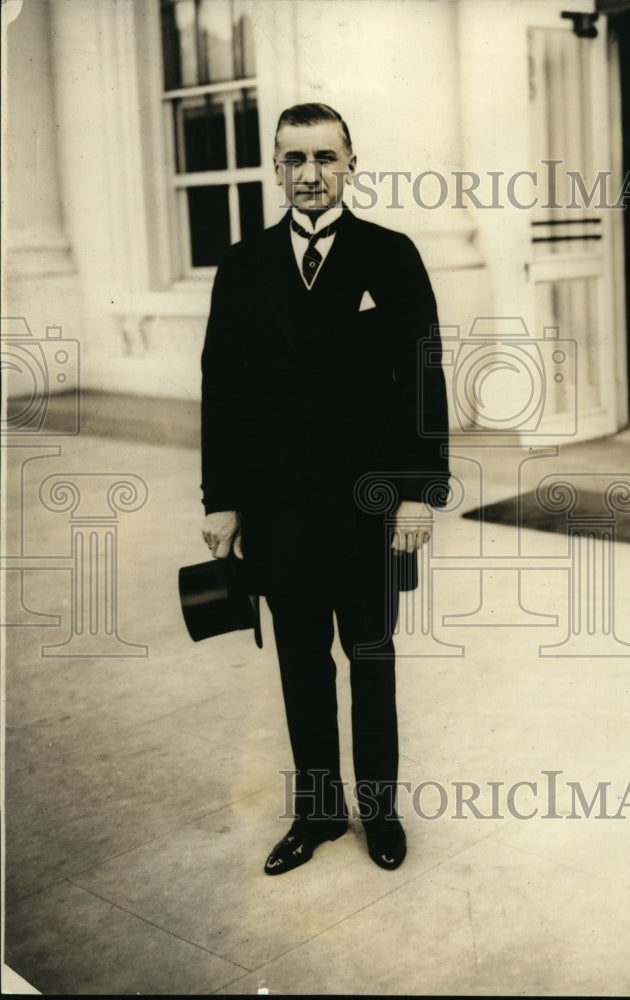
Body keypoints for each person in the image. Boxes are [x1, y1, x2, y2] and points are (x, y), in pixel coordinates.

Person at [200, 103, 449, 875]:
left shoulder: (389, 255)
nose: (309, 174)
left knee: (370, 657)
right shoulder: (242, 266)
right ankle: (317, 816)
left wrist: (416, 492)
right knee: (301, 664)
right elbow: (223, 390)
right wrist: (221, 498)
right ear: (275, 168)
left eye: (324, 158)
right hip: (278, 512)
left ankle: (379, 814)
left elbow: (422, 377)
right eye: (293, 159)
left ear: (350, 164)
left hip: (370, 507)